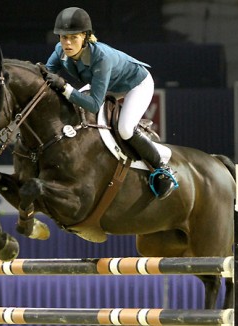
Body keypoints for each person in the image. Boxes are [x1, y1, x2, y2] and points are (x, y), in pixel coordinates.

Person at [40, 7, 177, 199]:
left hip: (136, 84)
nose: (67, 43)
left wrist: (65, 88)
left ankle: (163, 168)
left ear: (86, 37)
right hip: (108, 83)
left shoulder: (101, 58)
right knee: (74, 109)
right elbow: (46, 76)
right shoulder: (59, 51)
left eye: (73, 37)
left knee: (125, 129)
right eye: (63, 37)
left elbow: (95, 104)